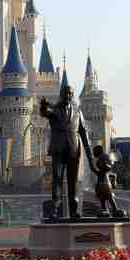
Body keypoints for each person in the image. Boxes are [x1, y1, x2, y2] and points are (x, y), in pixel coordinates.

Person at [40, 84, 91, 220]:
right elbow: (44, 113)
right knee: (57, 178)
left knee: (73, 181)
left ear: (72, 95)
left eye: (70, 93)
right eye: (65, 93)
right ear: (61, 95)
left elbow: (83, 133)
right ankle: (55, 209)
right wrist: (43, 106)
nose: (68, 96)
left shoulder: (78, 112)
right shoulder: (54, 110)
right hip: (58, 149)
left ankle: (74, 210)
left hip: (74, 150)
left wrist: (90, 156)